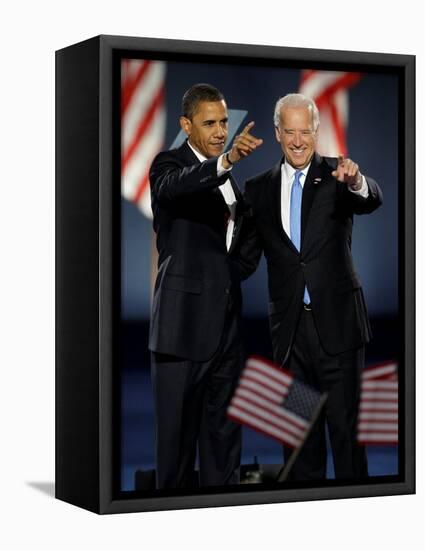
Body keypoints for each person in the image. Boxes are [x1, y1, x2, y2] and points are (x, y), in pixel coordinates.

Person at [242, 93, 383, 481]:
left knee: (347, 438)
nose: (299, 140)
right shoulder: (258, 189)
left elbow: (372, 198)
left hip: (338, 331)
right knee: (300, 443)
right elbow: (243, 258)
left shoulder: (340, 174)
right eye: (290, 131)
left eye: (306, 131)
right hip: (290, 338)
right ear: (277, 133)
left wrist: (356, 182)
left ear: (317, 131)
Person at [148, 83, 262, 489]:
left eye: (224, 122)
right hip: (181, 332)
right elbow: (173, 187)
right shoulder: (168, 165)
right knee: (176, 454)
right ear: (186, 124)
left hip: (227, 334)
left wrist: (232, 277)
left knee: (224, 448)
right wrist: (226, 160)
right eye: (209, 123)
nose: (219, 131)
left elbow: (242, 243)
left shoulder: (230, 178)